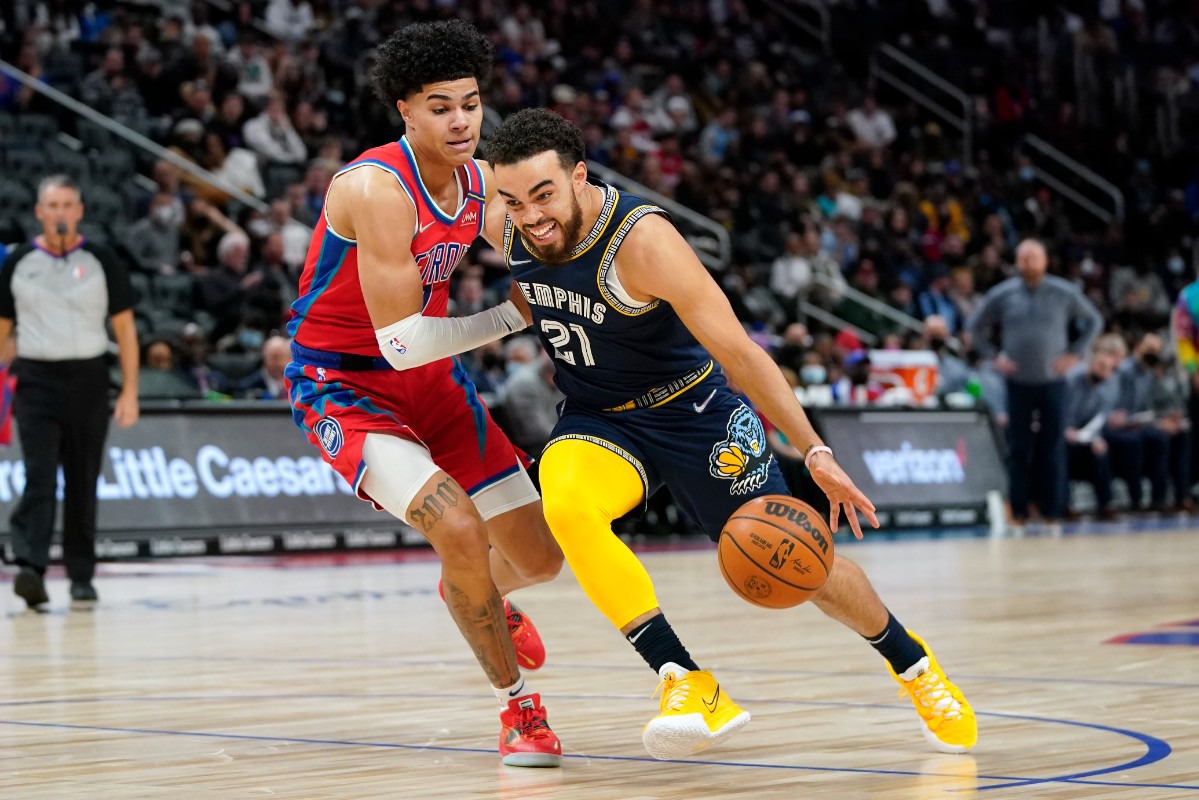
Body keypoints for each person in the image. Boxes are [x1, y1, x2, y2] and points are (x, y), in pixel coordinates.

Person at [486, 109, 976, 760]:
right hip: (598, 417)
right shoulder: (505, 221)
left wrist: (816, 451)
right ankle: (685, 680)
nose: (530, 215)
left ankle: (913, 665)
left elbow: (741, 355)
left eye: (543, 195)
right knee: (567, 504)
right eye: (513, 200)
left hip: (695, 412)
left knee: (804, 563)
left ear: (578, 177)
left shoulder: (644, 242)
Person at [283, 21, 563, 767]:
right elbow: (399, 339)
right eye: (440, 106)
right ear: (404, 110)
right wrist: (510, 316)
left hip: (434, 384)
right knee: (460, 531)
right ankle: (518, 710)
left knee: (538, 558)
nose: (460, 120)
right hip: (345, 383)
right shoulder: (375, 187)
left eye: (470, 103)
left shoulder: (478, 180)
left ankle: (474, 595)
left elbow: (539, 243)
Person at [0, 175, 140, 610]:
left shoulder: (101, 260)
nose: (60, 212)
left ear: (80, 211)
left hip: (89, 380)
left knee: (83, 480)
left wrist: (130, 390)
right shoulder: (19, 261)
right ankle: (30, 567)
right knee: (39, 475)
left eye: (67, 205)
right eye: (52, 205)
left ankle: (81, 574)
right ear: (39, 211)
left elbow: (125, 329)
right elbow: (3, 331)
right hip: (36, 381)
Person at [967, 239, 1103, 526]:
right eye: (1024, 257)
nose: (1029, 262)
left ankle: (1053, 509)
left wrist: (1074, 355)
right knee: (1019, 447)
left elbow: (1094, 321)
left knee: (1052, 447)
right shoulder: (1003, 294)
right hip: (1018, 381)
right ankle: (1019, 510)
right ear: (1017, 261)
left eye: (1034, 257)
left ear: (1045, 261)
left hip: (1054, 380)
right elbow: (975, 325)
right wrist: (993, 356)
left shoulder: (1063, 292)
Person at [1063, 334, 1125, 520]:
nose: (1106, 374)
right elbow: (1057, 411)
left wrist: (1095, 436)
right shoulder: (1071, 379)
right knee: (1059, 452)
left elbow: (1099, 418)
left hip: (1085, 434)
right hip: (1063, 433)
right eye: (1102, 368)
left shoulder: (1105, 386)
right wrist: (1066, 429)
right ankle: (1063, 504)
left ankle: (1106, 504)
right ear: (1091, 364)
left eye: (1109, 370)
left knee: (1101, 451)